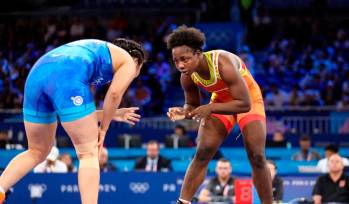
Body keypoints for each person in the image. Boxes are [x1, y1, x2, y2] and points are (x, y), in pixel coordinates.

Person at [0, 38, 145, 204]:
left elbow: (75, 114)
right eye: (139, 68)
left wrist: (113, 114)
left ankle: (0, 189)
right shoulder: (127, 60)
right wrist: (104, 129)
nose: (136, 73)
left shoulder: (95, 56)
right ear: (136, 60)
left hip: (37, 74)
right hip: (66, 77)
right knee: (88, 153)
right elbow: (114, 95)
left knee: (37, 151)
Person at [166, 25, 272, 204]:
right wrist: (184, 112)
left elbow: (244, 104)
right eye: (176, 61)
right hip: (222, 100)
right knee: (203, 151)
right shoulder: (186, 76)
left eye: (184, 59)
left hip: (248, 97)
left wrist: (210, 108)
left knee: (257, 155)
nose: (180, 65)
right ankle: (183, 202)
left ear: (198, 53)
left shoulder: (222, 62)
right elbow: (192, 104)